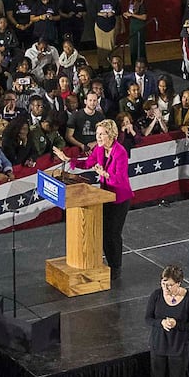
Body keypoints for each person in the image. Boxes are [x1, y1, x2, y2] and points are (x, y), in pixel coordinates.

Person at [53, 119, 131, 279]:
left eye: (102, 134)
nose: (99, 137)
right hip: (104, 196)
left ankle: (116, 267)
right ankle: (109, 263)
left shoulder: (120, 152)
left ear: (111, 134)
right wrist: (68, 159)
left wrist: (105, 174)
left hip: (120, 198)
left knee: (114, 234)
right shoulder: (100, 149)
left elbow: (120, 179)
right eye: (97, 134)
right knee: (104, 232)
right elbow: (87, 163)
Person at [145, 265, 189, 377]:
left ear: (179, 283)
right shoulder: (156, 295)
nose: (166, 288)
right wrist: (161, 322)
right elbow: (148, 319)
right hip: (158, 347)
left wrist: (177, 324)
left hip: (178, 349)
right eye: (163, 284)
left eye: (169, 285)